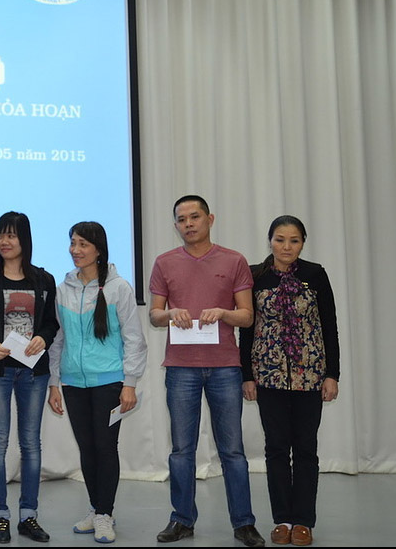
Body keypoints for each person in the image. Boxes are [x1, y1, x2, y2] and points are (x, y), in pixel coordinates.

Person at [148, 195, 265, 547]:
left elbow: (247, 316)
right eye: (182, 219)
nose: (188, 224)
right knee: (181, 450)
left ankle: (244, 523)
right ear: (175, 225)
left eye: (194, 217)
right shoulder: (164, 262)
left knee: (232, 451)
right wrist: (170, 314)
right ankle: (182, 519)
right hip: (180, 368)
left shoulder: (234, 260)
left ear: (210, 219)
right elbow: (155, 315)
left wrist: (224, 313)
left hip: (225, 367)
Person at [240, 216, 339, 548]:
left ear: (302, 243)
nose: (286, 246)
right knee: (276, 450)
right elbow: (247, 329)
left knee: (306, 450)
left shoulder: (315, 275)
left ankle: (304, 521)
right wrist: (247, 375)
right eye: (280, 239)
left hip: (310, 376)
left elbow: (329, 326)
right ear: (270, 241)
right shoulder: (256, 276)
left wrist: (332, 374)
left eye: (294, 240)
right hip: (268, 376)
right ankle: (282, 519)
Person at [47, 221, 148, 544]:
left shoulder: (119, 288)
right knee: (87, 448)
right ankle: (96, 508)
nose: (75, 250)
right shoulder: (63, 289)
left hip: (109, 382)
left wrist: (129, 383)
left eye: (83, 244)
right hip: (73, 383)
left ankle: (105, 513)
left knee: (105, 447)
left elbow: (134, 339)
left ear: (98, 250)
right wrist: (54, 382)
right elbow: (58, 339)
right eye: (73, 243)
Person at [0, 211, 59, 544]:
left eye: (11, 235)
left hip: (33, 372)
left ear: (24, 239)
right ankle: (0, 516)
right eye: (0, 235)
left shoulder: (44, 280)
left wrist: (43, 338)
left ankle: (28, 515)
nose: (4, 242)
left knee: (31, 443)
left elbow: (52, 323)